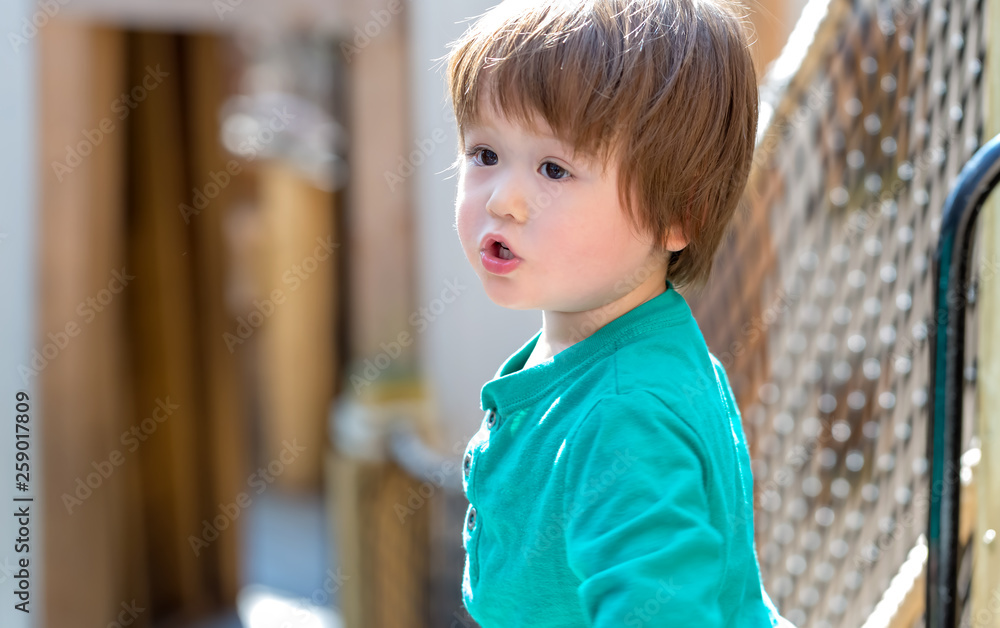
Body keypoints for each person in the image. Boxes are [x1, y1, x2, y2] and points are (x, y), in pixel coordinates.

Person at [446, 0, 795, 626]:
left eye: (554, 168)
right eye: (485, 154)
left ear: (676, 215)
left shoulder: (624, 412)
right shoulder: (617, 351)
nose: (503, 199)